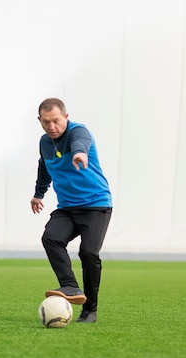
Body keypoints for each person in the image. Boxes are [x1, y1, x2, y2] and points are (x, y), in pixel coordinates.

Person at [30, 98, 112, 323]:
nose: (51, 127)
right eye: (46, 122)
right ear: (40, 121)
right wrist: (39, 194)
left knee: (88, 252)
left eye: (56, 121)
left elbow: (80, 143)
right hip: (67, 207)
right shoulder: (45, 142)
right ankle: (70, 285)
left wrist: (80, 154)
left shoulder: (79, 132)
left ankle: (90, 310)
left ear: (65, 117)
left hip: (96, 205)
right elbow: (44, 167)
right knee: (51, 238)